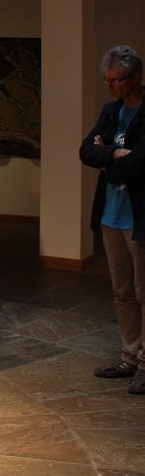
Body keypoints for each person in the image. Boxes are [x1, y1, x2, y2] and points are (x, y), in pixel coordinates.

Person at [79, 45, 145, 394]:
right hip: (111, 216)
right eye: (107, 81)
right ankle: (129, 357)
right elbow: (86, 150)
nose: (111, 87)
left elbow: (141, 163)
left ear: (135, 78)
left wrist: (108, 159)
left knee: (143, 291)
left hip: (139, 218)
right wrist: (115, 153)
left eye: (116, 81)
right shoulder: (110, 111)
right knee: (122, 293)